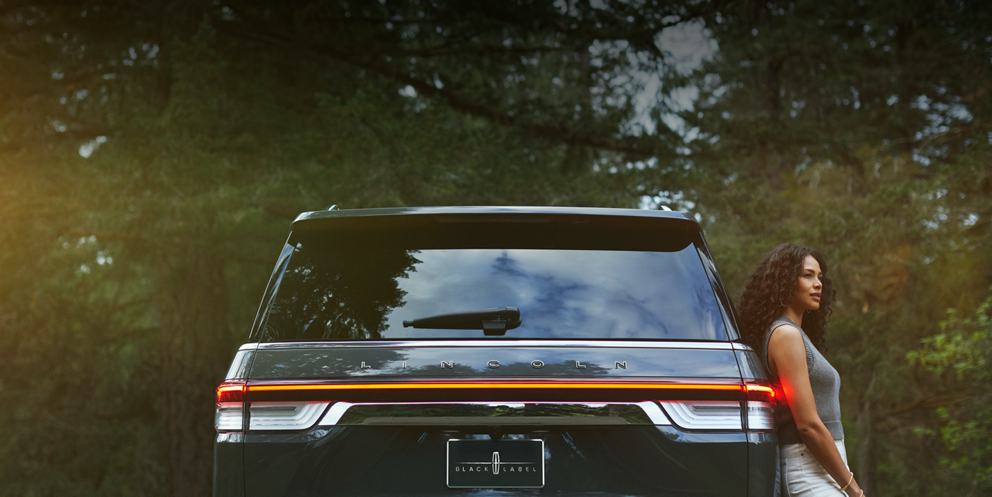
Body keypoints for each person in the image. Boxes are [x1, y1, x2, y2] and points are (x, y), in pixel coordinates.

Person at [738, 243, 864, 497]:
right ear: (785, 281)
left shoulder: (795, 334)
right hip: (808, 469)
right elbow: (807, 425)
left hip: (823, 467)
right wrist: (854, 489)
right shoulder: (785, 334)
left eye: (820, 277)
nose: (818, 284)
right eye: (807, 275)